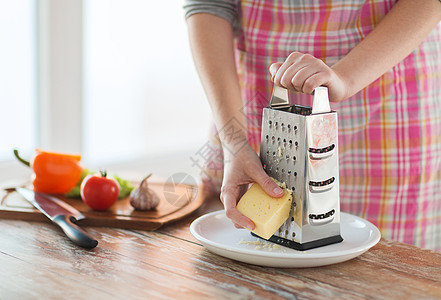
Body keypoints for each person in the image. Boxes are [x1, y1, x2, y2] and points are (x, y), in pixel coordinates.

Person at [184, 0, 441, 250]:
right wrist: (235, 145)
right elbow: (209, 5)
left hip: (385, 96)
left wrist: (345, 77)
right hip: (251, 101)